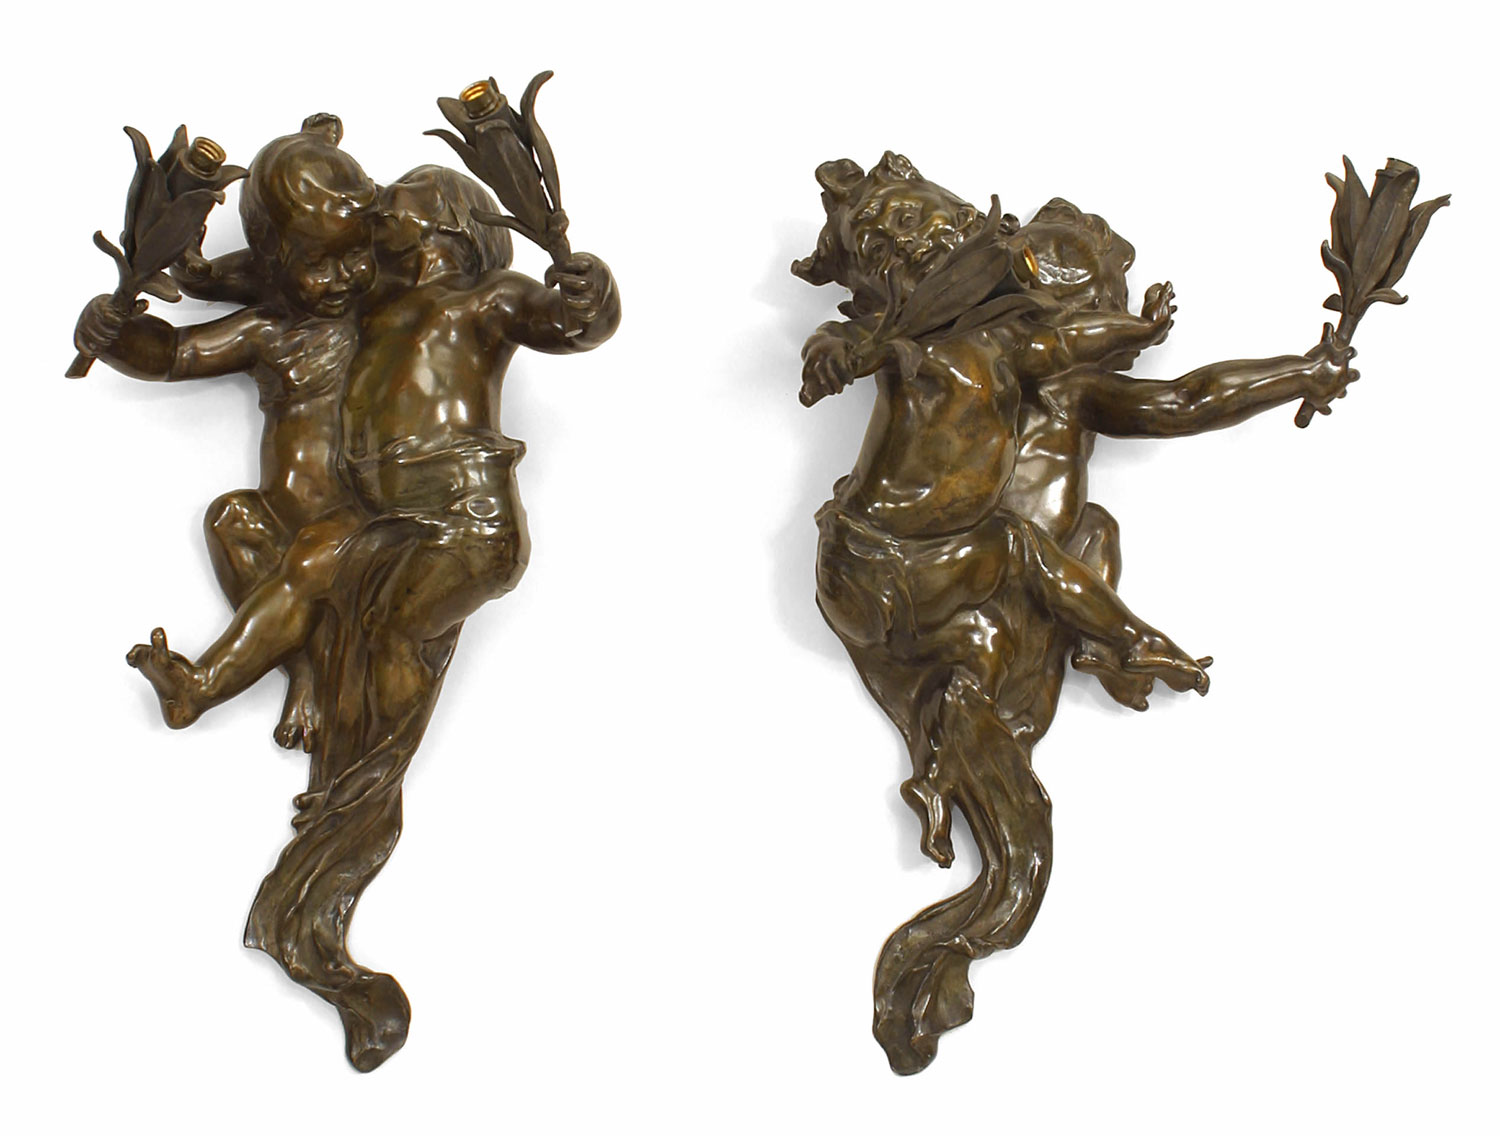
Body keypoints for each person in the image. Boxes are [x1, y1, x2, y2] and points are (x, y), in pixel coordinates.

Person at [74, 116, 379, 751]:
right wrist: (111, 335)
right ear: (273, 264)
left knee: (315, 558)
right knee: (229, 518)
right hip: (283, 520)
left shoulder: (385, 315)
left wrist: (317, 146)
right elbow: (173, 354)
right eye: (318, 264)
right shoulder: (269, 332)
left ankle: (203, 686)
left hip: (355, 517)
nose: (343, 277)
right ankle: (303, 673)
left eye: (358, 254)